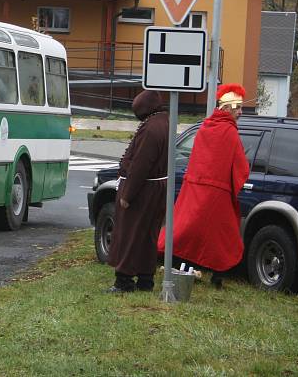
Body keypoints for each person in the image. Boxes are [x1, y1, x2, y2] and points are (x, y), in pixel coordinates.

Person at [157, 83, 250, 289]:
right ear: (228, 108)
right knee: (221, 236)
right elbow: (241, 168)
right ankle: (217, 276)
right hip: (218, 194)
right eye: (238, 108)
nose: (241, 112)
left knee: (188, 229)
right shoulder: (230, 132)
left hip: (195, 190)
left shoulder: (205, 127)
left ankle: (182, 267)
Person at [106, 90, 169, 293]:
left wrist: (127, 195)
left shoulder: (151, 128)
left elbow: (141, 164)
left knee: (129, 235)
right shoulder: (165, 122)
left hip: (143, 190)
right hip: (156, 188)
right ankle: (145, 279)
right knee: (147, 236)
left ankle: (124, 281)